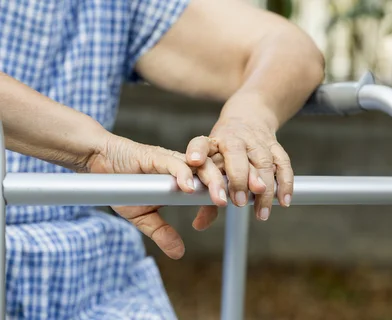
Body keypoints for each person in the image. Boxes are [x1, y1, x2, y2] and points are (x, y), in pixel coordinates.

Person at [0, 0, 324, 318]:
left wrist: (247, 118)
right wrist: (100, 150)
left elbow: (290, 47)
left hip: (89, 277)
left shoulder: (111, 6)